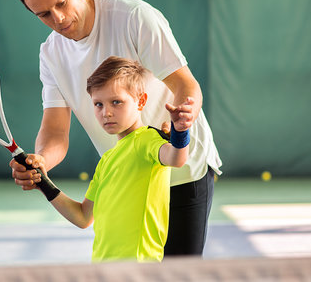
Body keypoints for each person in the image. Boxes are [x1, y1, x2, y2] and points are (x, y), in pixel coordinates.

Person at [11, 0, 222, 256]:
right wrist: (42, 161)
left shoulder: (133, 16)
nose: (57, 19)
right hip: (127, 175)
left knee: (179, 272)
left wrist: (181, 123)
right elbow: (56, 130)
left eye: (61, 3)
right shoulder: (51, 54)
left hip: (183, 172)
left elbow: (186, 86)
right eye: (44, 14)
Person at [30, 56, 191, 262]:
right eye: (98, 104)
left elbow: (176, 158)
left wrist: (180, 132)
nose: (106, 112)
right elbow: (83, 217)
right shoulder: (106, 160)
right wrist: (44, 184)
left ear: (140, 101)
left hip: (139, 268)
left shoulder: (147, 139)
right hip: (103, 266)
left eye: (116, 102)